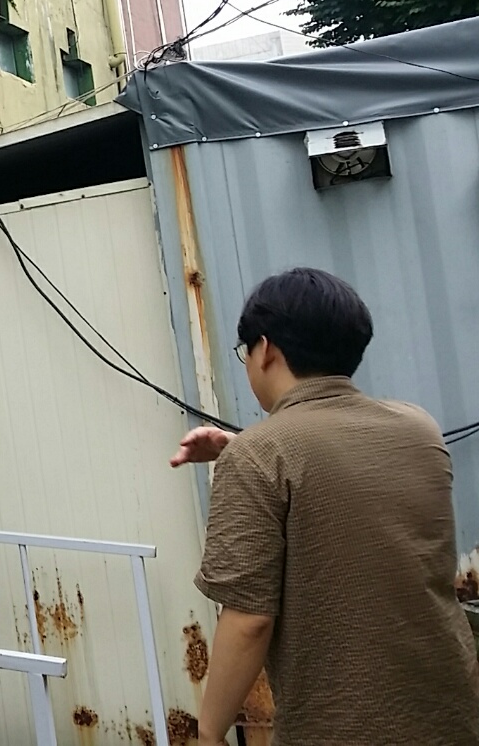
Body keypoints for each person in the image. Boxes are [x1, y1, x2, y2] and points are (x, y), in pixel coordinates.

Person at [170, 268, 479, 745]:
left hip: (342, 727)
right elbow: (337, 471)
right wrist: (244, 450)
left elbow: (249, 621)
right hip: (451, 714)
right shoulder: (419, 428)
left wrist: (209, 733)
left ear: (265, 349)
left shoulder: (260, 456)